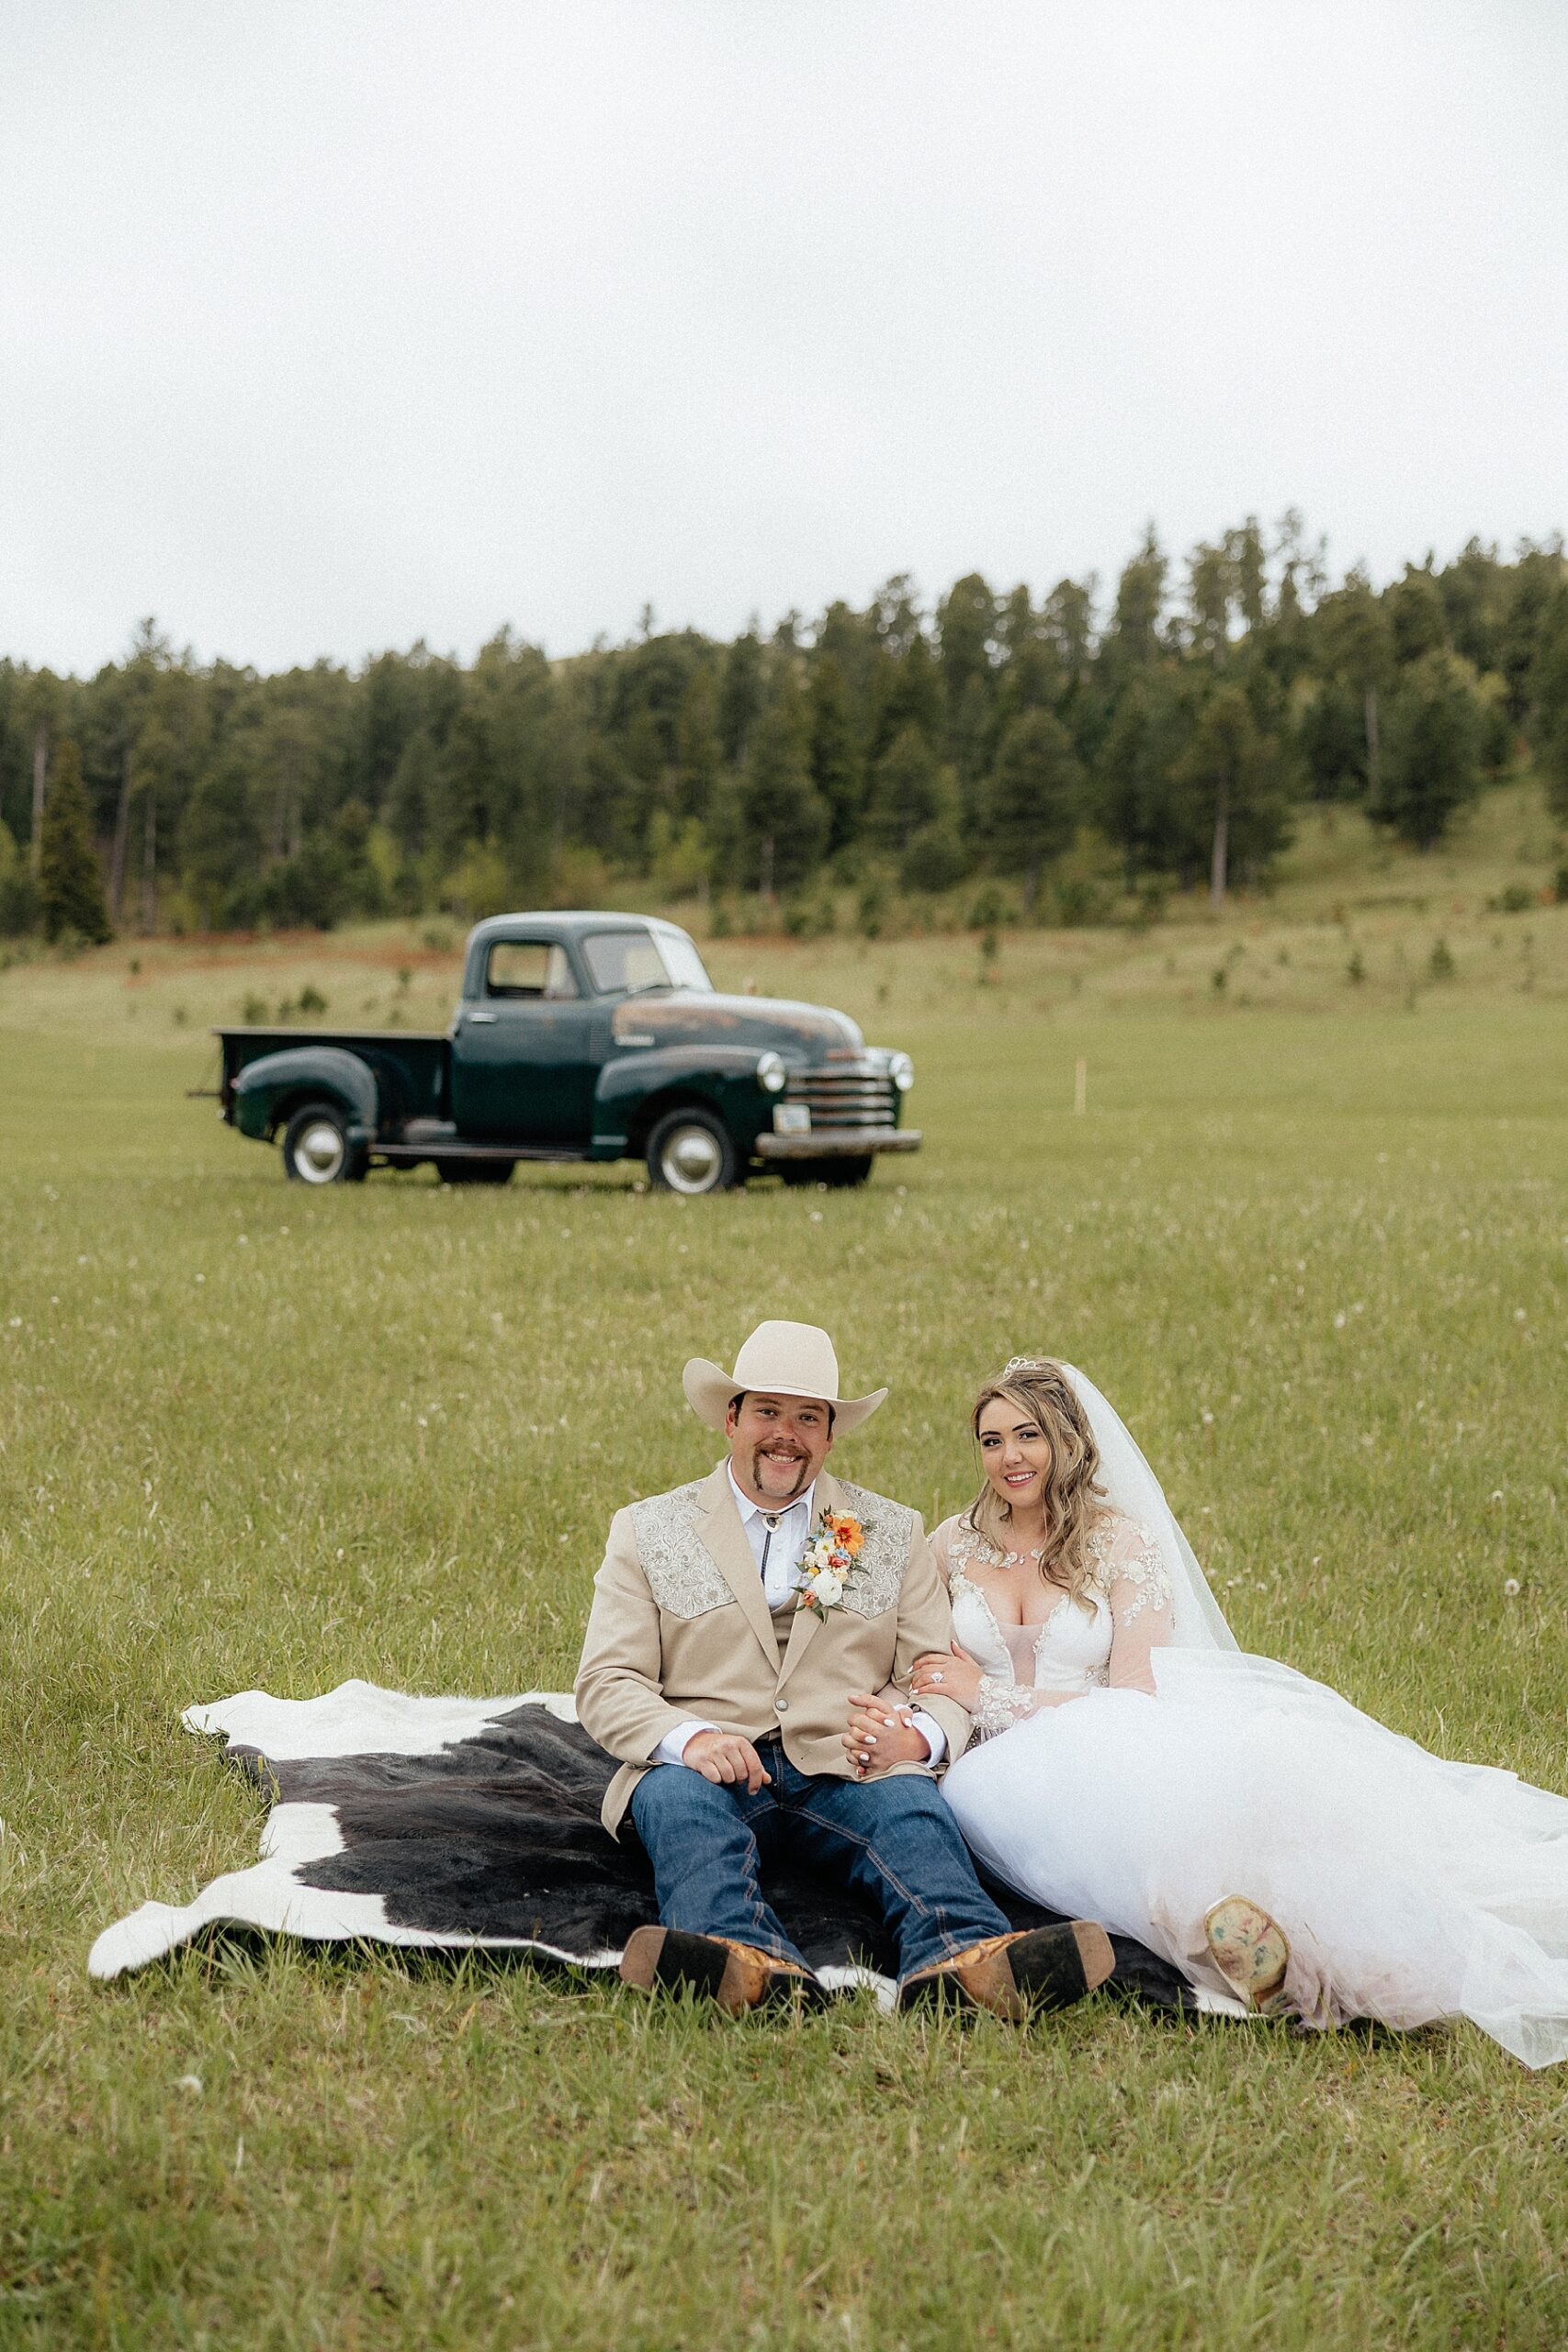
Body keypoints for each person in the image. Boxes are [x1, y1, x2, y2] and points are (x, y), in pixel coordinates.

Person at [867, 1356, 1568, 2066]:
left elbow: (1136, 1693)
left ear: (1068, 1441)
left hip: (1101, 1730)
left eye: (1028, 1435)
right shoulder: (953, 1543)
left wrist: (985, 1693)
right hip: (988, 1766)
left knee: (1207, 1807)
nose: (1009, 1457)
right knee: (1055, 1822)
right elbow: (917, 1661)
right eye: (991, 1441)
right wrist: (894, 1717)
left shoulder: (1117, 1543)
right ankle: (1215, 1943)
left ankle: (1289, 1939)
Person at [574, 1320, 1113, 2018]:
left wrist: (917, 1738)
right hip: (706, 1765)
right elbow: (607, 1681)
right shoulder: (650, 1528)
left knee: (911, 1810)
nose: (785, 1434)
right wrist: (689, 1741)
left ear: (829, 1435)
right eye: (767, 1412)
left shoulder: (885, 1530)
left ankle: (965, 1960)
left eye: (807, 1418)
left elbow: (932, 1667)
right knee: (683, 1816)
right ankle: (742, 1963)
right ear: (731, 1420)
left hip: (844, 1760)